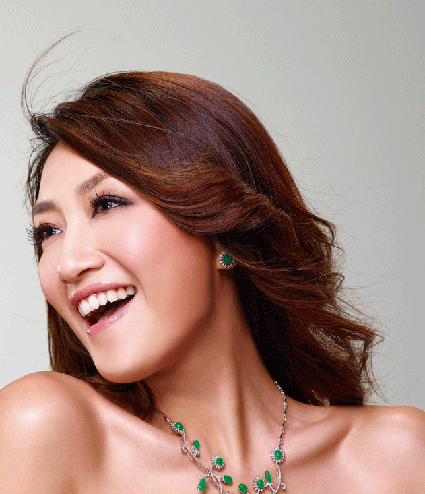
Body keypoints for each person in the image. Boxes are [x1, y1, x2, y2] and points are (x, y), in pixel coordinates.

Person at [0, 70, 424, 493]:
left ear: (222, 230)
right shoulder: (44, 429)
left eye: (107, 203)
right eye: (48, 231)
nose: (68, 263)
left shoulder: (398, 457)